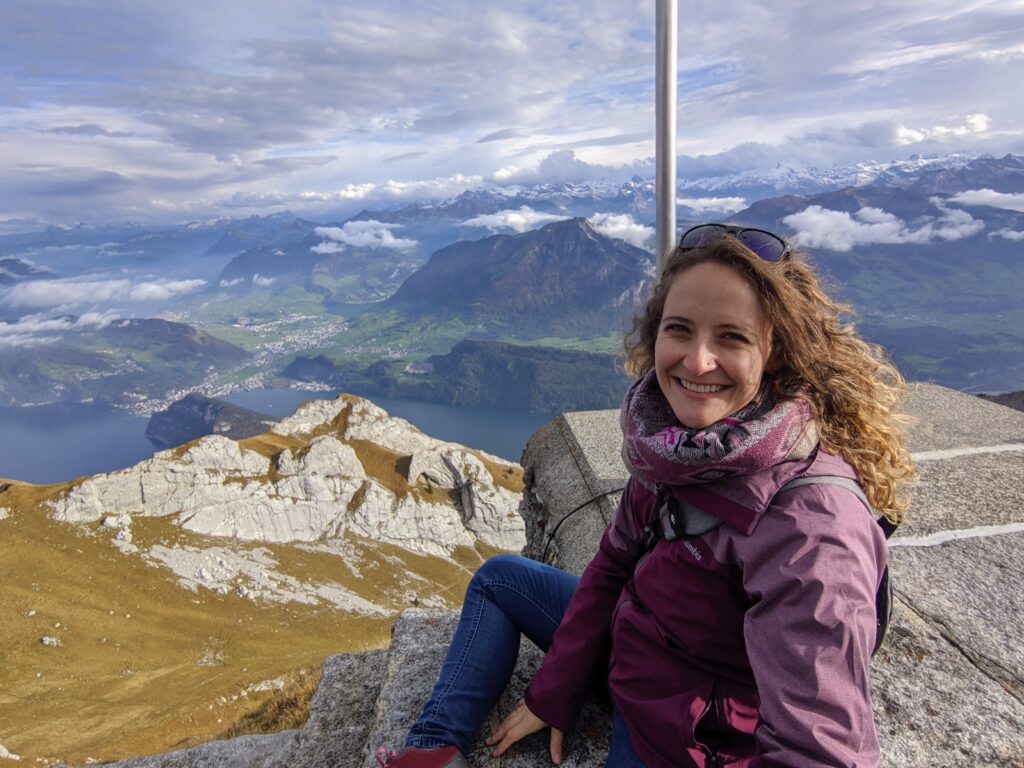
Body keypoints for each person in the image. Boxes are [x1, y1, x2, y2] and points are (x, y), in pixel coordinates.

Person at [375, 223, 914, 768]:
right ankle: (434, 750)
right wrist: (555, 689)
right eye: (679, 329)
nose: (697, 362)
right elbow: (611, 567)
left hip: (679, 729)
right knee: (498, 580)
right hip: (636, 649)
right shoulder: (679, 447)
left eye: (732, 337)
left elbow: (819, 750)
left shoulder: (809, 523)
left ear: (774, 353)